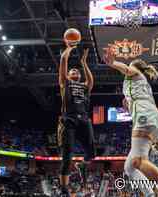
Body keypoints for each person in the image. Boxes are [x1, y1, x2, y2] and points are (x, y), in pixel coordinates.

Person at [103, 50, 158, 197]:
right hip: (152, 116)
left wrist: (112, 63)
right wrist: (129, 106)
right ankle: (150, 194)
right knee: (129, 167)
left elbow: (126, 69)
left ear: (135, 67)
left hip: (145, 114)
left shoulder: (135, 72)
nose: (127, 69)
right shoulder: (137, 84)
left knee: (139, 161)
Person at [58, 45, 96, 197]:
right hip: (69, 119)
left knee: (92, 152)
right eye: (72, 71)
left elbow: (91, 80)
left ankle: (82, 165)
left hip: (84, 119)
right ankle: (64, 189)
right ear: (68, 75)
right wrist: (68, 49)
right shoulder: (65, 84)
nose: (75, 71)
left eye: (77, 71)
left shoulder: (84, 86)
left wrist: (84, 62)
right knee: (67, 155)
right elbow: (63, 61)